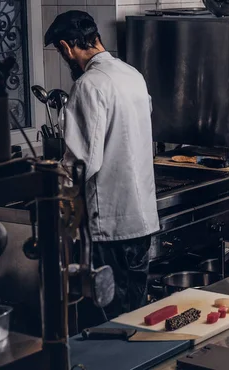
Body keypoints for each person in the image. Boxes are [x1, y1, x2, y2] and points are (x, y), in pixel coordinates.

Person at [44, 10, 160, 325]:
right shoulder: (132, 75)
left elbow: (82, 164)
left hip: (110, 227)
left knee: (108, 324)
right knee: (135, 318)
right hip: (142, 220)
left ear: (67, 48)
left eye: (60, 51)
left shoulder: (89, 85)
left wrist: (49, 186)